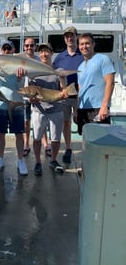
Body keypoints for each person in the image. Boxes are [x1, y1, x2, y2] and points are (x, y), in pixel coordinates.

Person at [30, 43, 68, 175]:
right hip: (38, 111)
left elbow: (64, 90)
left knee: (56, 139)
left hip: (56, 110)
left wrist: (64, 89)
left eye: (46, 51)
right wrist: (31, 99)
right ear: (39, 55)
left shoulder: (59, 70)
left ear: (52, 53)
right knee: (36, 139)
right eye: (41, 52)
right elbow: (30, 93)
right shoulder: (33, 72)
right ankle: (37, 162)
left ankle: (53, 159)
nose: (44, 54)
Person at [0, 41, 28, 175]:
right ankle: (0, 158)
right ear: (1, 51)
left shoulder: (19, 66)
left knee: (19, 134)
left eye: (9, 49)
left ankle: (20, 160)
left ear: (13, 51)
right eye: (4, 49)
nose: (6, 51)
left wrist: (19, 79)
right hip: (1, 105)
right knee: (0, 133)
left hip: (17, 104)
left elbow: (22, 88)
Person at [53, 26, 84, 163]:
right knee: (66, 123)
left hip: (82, 96)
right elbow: (55, 76)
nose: (70, 38)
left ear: (76, 37)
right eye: (67, 36)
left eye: (72, 35)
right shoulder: (59, 58)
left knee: (83, 124)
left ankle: (86, 150)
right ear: (65, 39)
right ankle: (68, 148)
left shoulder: (83, 54)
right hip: (65, 96)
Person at [76, 33, 115, 135]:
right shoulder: (80, 67)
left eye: (87, 43)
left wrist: (104, 106)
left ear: (93, 44)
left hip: (98, 108)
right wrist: (76, 110)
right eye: (81, 44)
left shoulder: (104, 59)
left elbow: (110, 83)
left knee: (101, 140)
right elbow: (80, 90)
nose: (84, 46)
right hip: (83, 109)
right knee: (86, 140)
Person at [19, 37, 51, 157]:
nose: (29, 48)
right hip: (25, 96)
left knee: (42, 121)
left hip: (38, 95)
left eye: (32, 45)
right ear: (24, 47)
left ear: (35, 47)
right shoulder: (19, 59)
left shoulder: (39, 60)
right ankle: (26, 144)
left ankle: (45, 144)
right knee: (26, 121)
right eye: (27, 46)